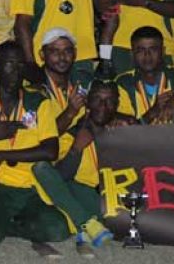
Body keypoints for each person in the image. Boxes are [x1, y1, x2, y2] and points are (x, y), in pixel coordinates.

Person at [0, 41, 69, 251]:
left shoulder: (39, 102)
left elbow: (50, 150)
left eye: (20, 65)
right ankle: (11, 225)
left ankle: (10, 226)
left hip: (31, 187)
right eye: (9, 64)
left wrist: (3, 154)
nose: (15, 71)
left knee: (58, 231)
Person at [32, 81, 117, 258]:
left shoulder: (122, 131)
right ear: (87, 103)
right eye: (97, 99)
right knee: (42, 169)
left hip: (110, 200)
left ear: (117, 105)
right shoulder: (71, 135)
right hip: (77, 194)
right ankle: (86, 224)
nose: (103, 106)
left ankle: (83, 228)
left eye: (109, 101)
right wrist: (76, 149)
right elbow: (62, 176)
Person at [115, 26, 174, 124]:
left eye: (153, 49)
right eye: (141, 50)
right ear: (132, 54)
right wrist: (153, 111)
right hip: (139, 139)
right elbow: (130, 128)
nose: (147, 55)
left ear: (163, 52)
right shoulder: (124, 83)